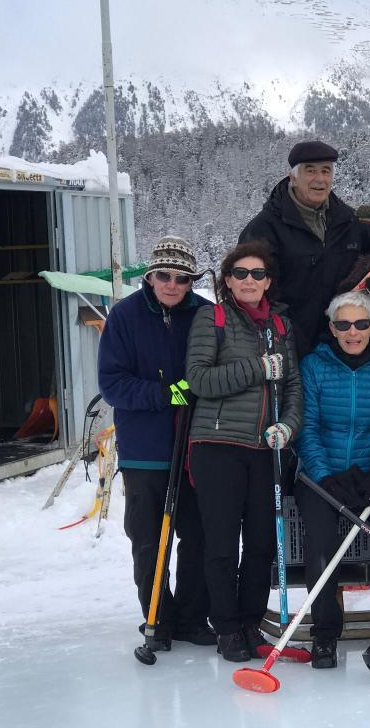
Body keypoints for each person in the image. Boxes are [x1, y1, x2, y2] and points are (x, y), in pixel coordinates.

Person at [184, 240, 304, 663]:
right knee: (221, 542)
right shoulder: (211, 318)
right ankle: (227, 626)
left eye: (257, 274)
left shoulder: (281, 326)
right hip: (217, 446)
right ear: (228, 279)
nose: (249, 281)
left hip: (265, 449)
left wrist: (288, 426)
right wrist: (257, 368)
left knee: (261, 543)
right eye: (240, 273)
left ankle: (252, 623)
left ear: (268, 281)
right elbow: (198, 380)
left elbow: (292, 387)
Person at [97, 236, 214, 650]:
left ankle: (192, 617)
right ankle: (156, 618)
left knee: (198, 535)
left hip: (196, 448)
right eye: (163, 275)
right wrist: (166, 394)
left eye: (182, 278)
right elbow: (112, 384)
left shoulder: (206, 314)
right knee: (148, 538)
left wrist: (195, 392)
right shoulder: (125, 316)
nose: (172, 284)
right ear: (150, 276)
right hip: (145, 451)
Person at [294, 291, 370, 669]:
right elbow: (307, 426)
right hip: (322, 476)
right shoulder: (314, 366)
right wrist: (324, 476)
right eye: (343, 324)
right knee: (321, 545)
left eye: (361, 324)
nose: (353, 332)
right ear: (332, 328)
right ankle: (325, 633)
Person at [238, 139, 370, 358]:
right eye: (310, 171)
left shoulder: (349, 220)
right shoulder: (264, 229)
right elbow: (248, 291)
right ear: (293, 177)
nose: (320, 179)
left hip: (344, 346)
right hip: (289, 349)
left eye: (326, 171)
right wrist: (284, 333)